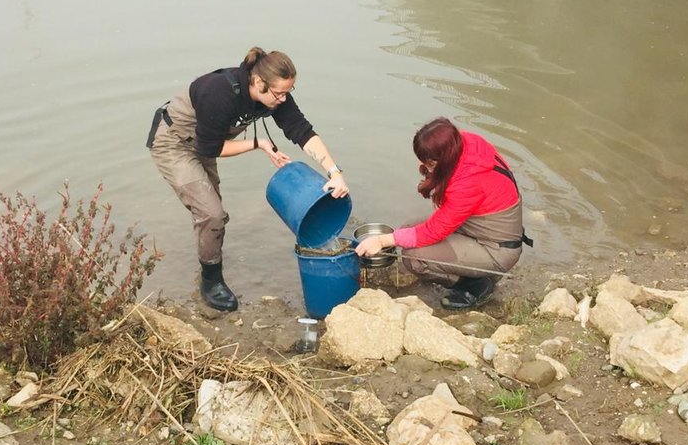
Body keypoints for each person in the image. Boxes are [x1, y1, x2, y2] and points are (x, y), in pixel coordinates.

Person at [147, 47, 349, 312]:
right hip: (174, 142)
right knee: (212, 213)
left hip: (206, 140)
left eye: (289, 92)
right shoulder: (218, 93)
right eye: (279, 93)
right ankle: (211, 280)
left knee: (211, 212)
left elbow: (301, 131)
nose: (283, 99)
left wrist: (334, 172)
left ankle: (209, 252)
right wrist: (257, 143)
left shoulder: (276, 95)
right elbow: (210, 149)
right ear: (257, 82)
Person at [354, 117, 531, 310]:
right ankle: (462, 269)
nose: (425, 165)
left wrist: (381, 241)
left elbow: (432, 232)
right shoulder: (464, 142)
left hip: (496, 248)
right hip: (476, 226)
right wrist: (431, 171)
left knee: (414, 258)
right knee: (406, 230)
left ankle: (477, 284)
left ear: (442, 159)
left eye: (429, 162)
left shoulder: (467, 184)